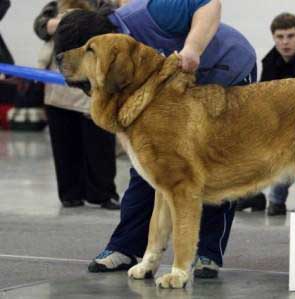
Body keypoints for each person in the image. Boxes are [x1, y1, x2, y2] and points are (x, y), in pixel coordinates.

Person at [53, 0, 256, 278]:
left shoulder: (149, 12)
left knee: (215, 162)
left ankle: (207, 253)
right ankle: (125, 247)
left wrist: (193, 48)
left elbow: (209, 4)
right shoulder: (107, 59)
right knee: (149, 166)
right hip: (171, 90)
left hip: (226, 67)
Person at [238, 12, 295, 216]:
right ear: (274, 38)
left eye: (290, 36)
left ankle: (288, 200)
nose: (285, 42)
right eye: (280, 37)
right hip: (277, 128)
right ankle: (268, 199)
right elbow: (262, 99)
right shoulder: (269, 62)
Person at [34, 0, 120, 209]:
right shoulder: (55, 5)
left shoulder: (104, 4)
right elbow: (40, 26)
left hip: (91, 84)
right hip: (58, 85)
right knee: (63, 144)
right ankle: (70, 194)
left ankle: (103, 193)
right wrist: (56, 24)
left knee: (100, 145)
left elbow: (112, 25)